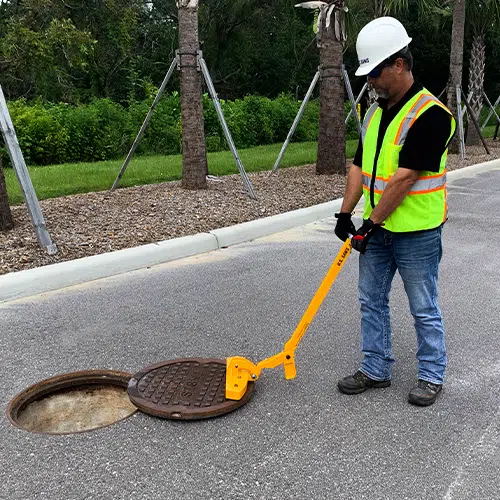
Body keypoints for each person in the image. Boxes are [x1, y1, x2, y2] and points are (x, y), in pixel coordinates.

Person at [334, 17, 456, 406]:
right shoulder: (374, 112)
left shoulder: (432, 115)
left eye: (375, 72)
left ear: (399, 64)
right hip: (377, 228)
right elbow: (359, 165)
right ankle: (375, 368)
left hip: (416, 231)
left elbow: (404, 179)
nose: (369, 80)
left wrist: (369, 224)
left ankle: (431, 375)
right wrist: (344, 213)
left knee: (423, 304)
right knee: (370, 298)